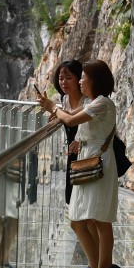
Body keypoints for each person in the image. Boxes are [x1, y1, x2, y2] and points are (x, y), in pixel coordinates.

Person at [37, 60, 125, 268]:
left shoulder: (102, 103)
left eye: (83, 77)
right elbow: (74, 116)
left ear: (94, 81)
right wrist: (77, 139)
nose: (81, 81)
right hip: (87, 160)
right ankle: (97, 267)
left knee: (101, 220)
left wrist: (52, 107)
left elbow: (70, 119)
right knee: (79, 220)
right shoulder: (96, 103)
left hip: (99, 164)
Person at [52, 59, 85, 205]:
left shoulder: (88, 100)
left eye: (69, 78)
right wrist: (58, 115)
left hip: (87, 152)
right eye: (60, 78)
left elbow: (71, 118)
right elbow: (67, 115)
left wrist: (55, 110)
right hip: (72, 154)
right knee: (72, 198)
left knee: (84, 199)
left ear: (79, 79)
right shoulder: (65, 99)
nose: (63, 82)